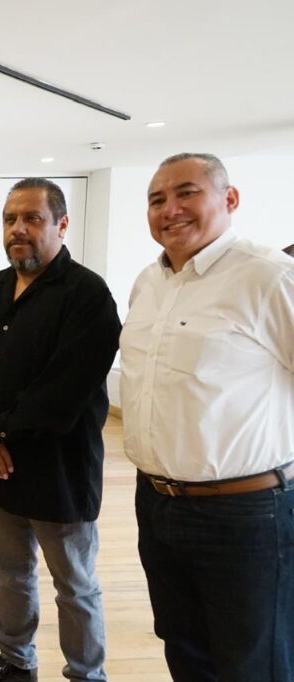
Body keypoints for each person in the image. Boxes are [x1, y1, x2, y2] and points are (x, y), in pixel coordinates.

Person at [120, 153, 294, 681]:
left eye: (187, 193)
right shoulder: (148, 282)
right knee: (185, 650)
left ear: (229, 198)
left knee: (254, 663)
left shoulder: (269, 276)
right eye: (156, 200)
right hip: (156, 503)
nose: (169, 209)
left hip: (245, 514)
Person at [0, 178, 120, 682]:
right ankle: (16, 663)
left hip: (58, 468)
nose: (18, 229)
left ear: (62, 225)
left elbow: (64, 389)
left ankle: (86, 674)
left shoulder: (88, 295)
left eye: (32, 218)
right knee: (10, 570)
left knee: (74, 583)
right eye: (10, 219)